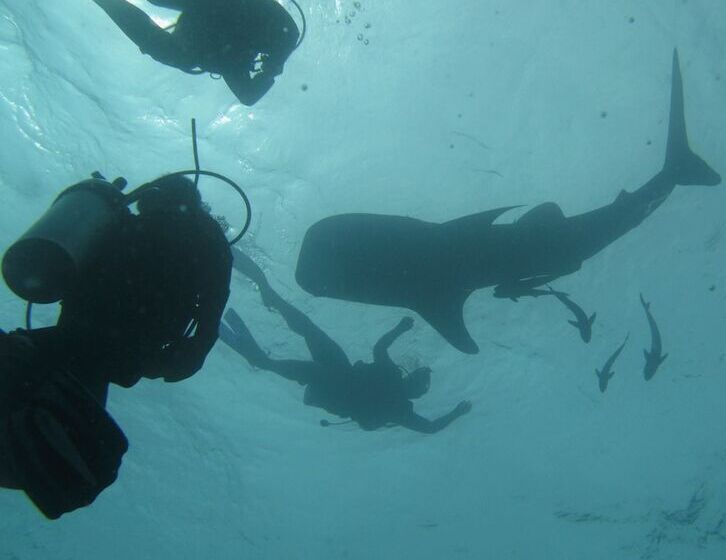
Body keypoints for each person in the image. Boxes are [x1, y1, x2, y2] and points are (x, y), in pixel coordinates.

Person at [0, 173, 232, 519]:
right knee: (72, 465)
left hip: (76, 328)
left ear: (151, 198)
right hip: (123, 350)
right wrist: (176, 358)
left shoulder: (120, 220)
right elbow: (209, 317)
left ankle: (18, 356)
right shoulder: (208, 238)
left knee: (64, 452)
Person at [220, 248, 472, 433]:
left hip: (333, 388)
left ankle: (258, 359)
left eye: (420, 383)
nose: (416, 380)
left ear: (418, 392)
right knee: (310, 329)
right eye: (419, 378)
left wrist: (457, 413)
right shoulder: (392, 375)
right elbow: (380, 348)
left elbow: (430, 428)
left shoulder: (399, 410)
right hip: (341, 367)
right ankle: (272, 297)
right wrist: (399, 329)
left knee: (304, 366)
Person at [91, 0, 302, 105]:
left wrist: (270, 70)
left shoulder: (235, 58)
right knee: (179, 55)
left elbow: (247, 96)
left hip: (207, 23)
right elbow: (248, 95)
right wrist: (271, 70)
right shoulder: (278, 39)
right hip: (213, 16)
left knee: (180, 55)